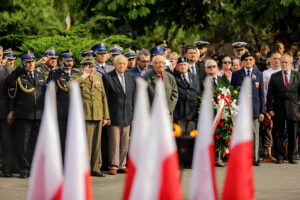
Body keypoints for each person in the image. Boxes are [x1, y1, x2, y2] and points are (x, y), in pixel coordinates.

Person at [6, 51, 46, 178]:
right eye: (28, 62)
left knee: (36, 142)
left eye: (32, 61)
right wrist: (19, 68)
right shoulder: (18, 76)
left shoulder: (40, 75)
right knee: (23, 143)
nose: (31, 64)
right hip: (23, 114)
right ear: (23, 63)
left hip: (38, 114)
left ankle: (35, 168)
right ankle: (24, 169)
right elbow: (9, 82)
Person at [69, 56, 110, 177]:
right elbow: (69, 87)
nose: (90, 68)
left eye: (92, 66)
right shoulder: (77, 77)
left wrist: (106, 116)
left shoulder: (98, 78)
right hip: (84, 115)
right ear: (82, 67)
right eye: (87, 66)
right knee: (86, 144)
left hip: (98, 114)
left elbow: (103, 98)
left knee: (97, 144)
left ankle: (96, 168)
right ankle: (84, 168)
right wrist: (83, 76)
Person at [102, 55, 135, 175]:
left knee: (125, 142)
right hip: (113, 115)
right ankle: (113, 165)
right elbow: (104, 98)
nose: (122, 66)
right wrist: (106, 115)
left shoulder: (130, 77)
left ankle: (122, 164)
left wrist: (134, 116)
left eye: (124, 64)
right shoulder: (107, 77)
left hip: (127, 114)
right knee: (114, 142)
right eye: (119, 63)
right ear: (114, 64)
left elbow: (133, 97)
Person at [231, 52, 265, 166]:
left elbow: (261, 95)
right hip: (240, 109)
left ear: (254, 61)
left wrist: (262, 111)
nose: (249, 61)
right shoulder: (236, 74)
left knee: (255, 134)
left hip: (255, 109)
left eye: (251, 59)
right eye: (246, 60)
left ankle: (255, 157)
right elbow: (232, 91)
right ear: (242, 62)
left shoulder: (258, 74)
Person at [267, 54, 300, 164]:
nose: (284, 64)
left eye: (286, 62)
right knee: (278, 133)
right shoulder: (274, 76)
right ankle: (280, 156)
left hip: (293, 109)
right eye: (282, 62)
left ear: (291, 63)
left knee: (293, 134)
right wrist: (270, 109)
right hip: (278, 109)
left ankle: (292, 156)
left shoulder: (297, 75)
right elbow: (270, 94)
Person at [51, 50, 78, 160]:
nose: (70, 63)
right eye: (67, 61)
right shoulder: (56, 73)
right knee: (61, 139)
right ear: (61, 61)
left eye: (71, 61)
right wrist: (59, 70)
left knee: (74, 139)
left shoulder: (76, 73)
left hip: (74, 112)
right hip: (61, 112)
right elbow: (51, 84)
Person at [173, 56, 200, 135]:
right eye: (180, 65)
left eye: (185, 64)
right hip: (179, 113)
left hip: (192, 113)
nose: (183, 66)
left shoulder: (195, 77)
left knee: (191, 137)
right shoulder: (174, 78)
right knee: (179, 137)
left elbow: (198, 93)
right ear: (176, 67)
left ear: (188, 66)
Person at [0, 46, 15, 177]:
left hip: (4, 112)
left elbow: (12, 94)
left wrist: (11, 111)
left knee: (6, 142)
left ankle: (7, 169)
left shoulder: (8, 71)